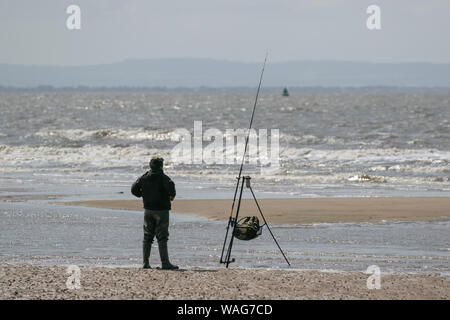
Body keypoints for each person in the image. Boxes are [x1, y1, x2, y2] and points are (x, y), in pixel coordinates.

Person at [131, 156, 178, 270]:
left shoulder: (144, 177)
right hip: (162, 210)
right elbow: (171, 188)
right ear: (161, 166)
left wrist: (144, 195)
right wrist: (171, 196)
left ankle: (145, 263)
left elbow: (133, 189)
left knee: (147, 236)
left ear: (150, 166)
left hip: (148, 210)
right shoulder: (164, 177)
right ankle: (165, 263)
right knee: (162, 237)